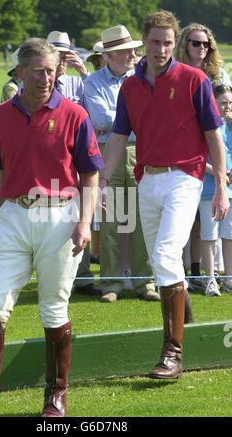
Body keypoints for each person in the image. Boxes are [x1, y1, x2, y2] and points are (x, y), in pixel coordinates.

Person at [0, 37, 103, 417]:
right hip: (12, 219)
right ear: (19, 72)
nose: (46, 78)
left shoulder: (75, 115)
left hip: (60, 216)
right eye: (38, 71)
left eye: (52, 70)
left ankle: (55, 398)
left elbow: (90, 177)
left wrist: (84, 223)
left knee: (53, 308)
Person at [99, 10, 229, 379]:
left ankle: (172, 353)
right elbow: (119, 137)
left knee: (165, 253)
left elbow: (213, 137)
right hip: (146, 180)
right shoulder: (130, 87)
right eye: (155, 42)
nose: (161, 49)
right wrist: (103, 180)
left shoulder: (194, 79)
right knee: (162, 263)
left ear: (175, 43)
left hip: (185, 178)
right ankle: (183, 307)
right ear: (145, 41)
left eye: (168, 42)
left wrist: (220, 184)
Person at [84, 24, 160, 303]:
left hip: (142, 152)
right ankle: (112, 284)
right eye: (125, 52)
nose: (132, 55)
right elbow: (100, 120)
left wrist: (129, 121)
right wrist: (132, 120)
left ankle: (144, 282)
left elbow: (147, 119)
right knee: (110, 221)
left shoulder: (143, 79)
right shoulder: (92, 82)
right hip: (108, 155)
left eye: (132, 50)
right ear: (108, 56)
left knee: (144, 221)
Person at [175, 23, 232, 292]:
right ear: (185, 44)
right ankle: (183, 272)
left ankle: (206, 272)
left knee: (207, 221)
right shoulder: (175, 72)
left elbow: (226, 109)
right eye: (195, 43)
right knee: (185, 219)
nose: (201, 48)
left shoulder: (217, 74)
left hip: (212, 142)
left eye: (206, 44)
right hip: (184, 146)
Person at [47, 30, 101, 296]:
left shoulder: (76, 83)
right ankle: (53, 272)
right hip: (50, 161)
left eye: (65, 54)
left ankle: (82, 274)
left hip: (75, 158)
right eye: (56, 53)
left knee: (82, 214)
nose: (61, 60)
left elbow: (95, 112)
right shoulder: (37, 83)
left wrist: (83, 73)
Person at [198, 84, 232, 296]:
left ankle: (229, 278)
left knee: (229, 236)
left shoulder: (230, 127)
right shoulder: (204, 126)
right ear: (214, 103)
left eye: (230, 103)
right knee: (209, 236)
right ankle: (210, 278)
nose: (228, 106)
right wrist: (218, 173)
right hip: (208, 190)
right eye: (223, 102)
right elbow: (198, 159)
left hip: (230, 192)